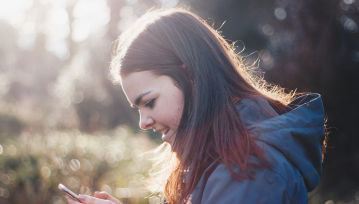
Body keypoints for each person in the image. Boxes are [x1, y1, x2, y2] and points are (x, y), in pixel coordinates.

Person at [66, 8, 326, 204]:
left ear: (191, 77)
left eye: (149, 102)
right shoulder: (221, 155)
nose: (143, 122)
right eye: (138, 109)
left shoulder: (249, 171)